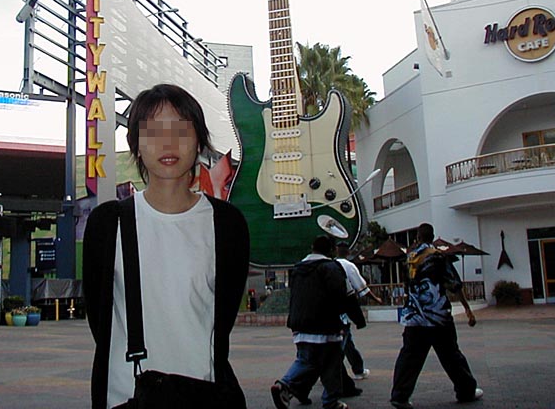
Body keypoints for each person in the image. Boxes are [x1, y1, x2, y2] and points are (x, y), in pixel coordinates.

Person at [83, 83, 250, 409]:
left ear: (199, 141)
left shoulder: (226, 224)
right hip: (126, 396)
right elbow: (99, 319)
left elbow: (224, 317)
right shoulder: (108, 223)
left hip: (204, 394)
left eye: (181, 131)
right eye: (153, 132)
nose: (168, 143)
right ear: (136, 144)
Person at [390, 223, 483, 409]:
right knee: (451, 356)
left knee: (409, 358)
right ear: (432, 237)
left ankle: (400, 396)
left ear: (417, 237)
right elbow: (455, 285)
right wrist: (467, 309)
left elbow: (408, 287)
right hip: (439, 318)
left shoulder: (409, 258)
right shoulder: (438, 257)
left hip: (414, 318)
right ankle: (466, 391)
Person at [271, 235, 365, 409]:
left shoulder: (298, 269)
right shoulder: (332, 268)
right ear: (331, 250)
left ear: (312, 248)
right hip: (325, 325)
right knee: (332, 363)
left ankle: (284, 385)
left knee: (305, 360)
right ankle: (331, 401)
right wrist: (358, 320)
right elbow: (344, 296)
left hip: (299, 324)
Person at [335, 241, 383, 382]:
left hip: (330, 310)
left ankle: (358, 369)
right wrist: (376, 299)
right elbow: (362, 288)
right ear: (348, 252)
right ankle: (332, 372)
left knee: (347, 342)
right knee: (342, 343)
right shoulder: (349, 266)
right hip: (344, 310)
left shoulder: (330, 265)